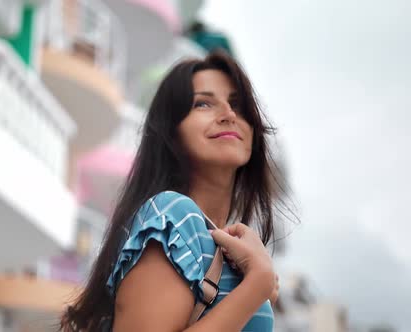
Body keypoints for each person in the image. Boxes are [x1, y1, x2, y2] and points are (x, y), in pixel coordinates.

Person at [60, 50, 295, 331]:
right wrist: (256, 286)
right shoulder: (171, 217)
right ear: (172, 132)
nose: (229, 114)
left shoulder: (234, 253)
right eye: (203, 104)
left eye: (238, 105)